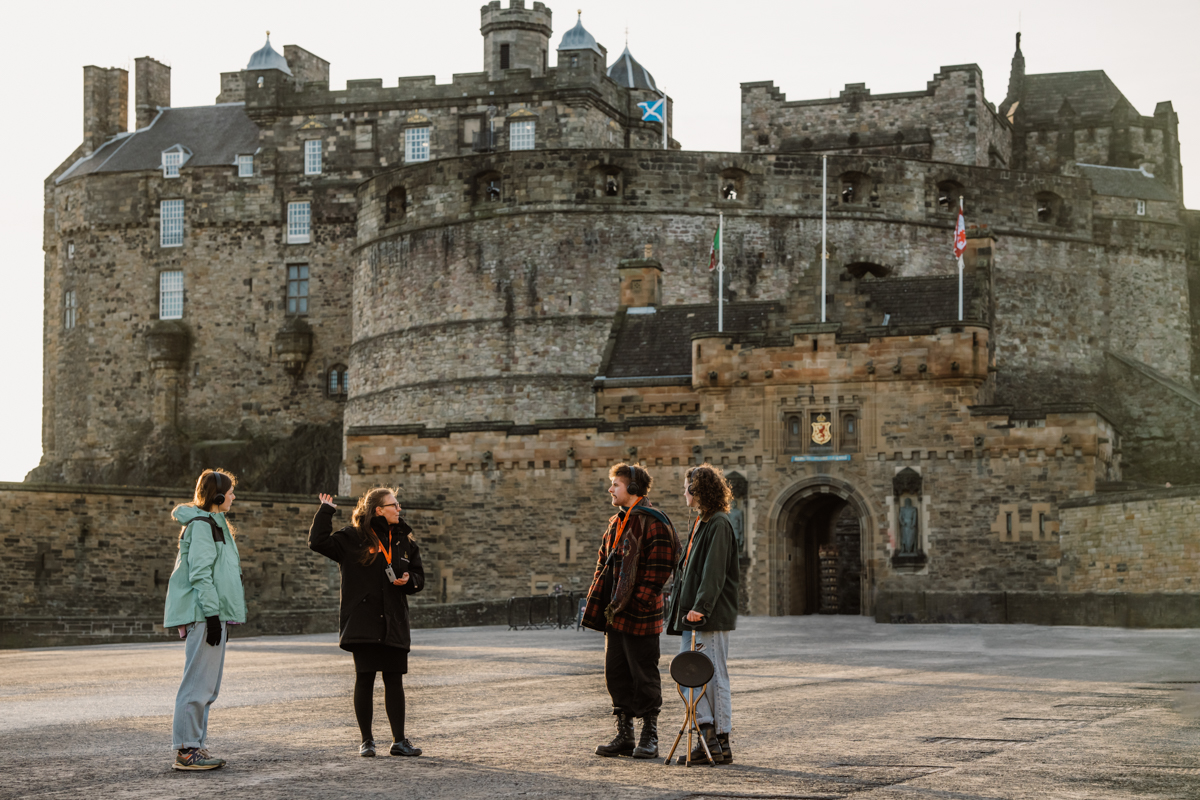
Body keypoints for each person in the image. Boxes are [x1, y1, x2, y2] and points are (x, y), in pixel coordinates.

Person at [309, 487, 425, 757]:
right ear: (378, 510)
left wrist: (411, 580)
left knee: (394, 680)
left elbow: (419, 576)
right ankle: (367, 741)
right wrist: (326, 512)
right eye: (393, 505)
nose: (399, 509)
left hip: (394, 621)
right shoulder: (352, 538)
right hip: (363, 621)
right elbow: (317, 542)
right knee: (365, 678)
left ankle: (399, 741)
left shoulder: (404, 541)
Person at [582, 463, 680, 760]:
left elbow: (660, 568)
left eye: (616, 485)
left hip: (640, 614)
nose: (610, 489)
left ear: (633, 488)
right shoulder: (616, 522)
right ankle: (625, 735)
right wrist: (604, 602)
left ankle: (650, 735)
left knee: (644, 674)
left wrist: (637, 602)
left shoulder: (655, 522)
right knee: (616, 673)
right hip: (616, 613)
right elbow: (603, 562)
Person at [163, 468, 246, 771]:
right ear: (219, 495)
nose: (234, 497)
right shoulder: (202, 526)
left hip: (213, 614)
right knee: (197, 683)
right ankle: (186, 751)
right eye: (231, 492)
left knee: (207, 686)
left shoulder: (215, 524)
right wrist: (211, 616)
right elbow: (200, 575)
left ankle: (194, 745)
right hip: (204, 614)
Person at [666, 463, 740, 764]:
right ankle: (707, 734)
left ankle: (719, 739)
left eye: (688, 487)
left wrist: (701, 607)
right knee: (690, 676)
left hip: (706, 615)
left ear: (698, 491)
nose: (684, 492)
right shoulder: (703, 522)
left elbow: (714, 572)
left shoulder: (719, 524)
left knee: (713, 676)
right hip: (691, 615)